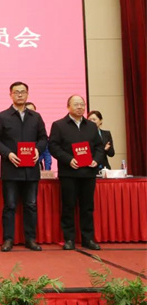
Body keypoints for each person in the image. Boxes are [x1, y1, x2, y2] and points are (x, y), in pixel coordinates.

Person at [0, 82, 48, 252]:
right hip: (11, 168)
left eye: (23, 92)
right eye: (16, 92)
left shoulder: (36, 117)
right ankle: (8, 239)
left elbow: (44, 138)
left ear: (28, 94)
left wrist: (38, 149)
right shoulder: (2, 116)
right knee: (10, 206)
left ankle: (30, 239)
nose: (20, 95)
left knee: (31, 205)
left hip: (31, 169)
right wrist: (8, 153)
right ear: (10, 95)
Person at [50, 95, 105, 250]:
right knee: (68, 206)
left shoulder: (91, 126)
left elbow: (99, 147)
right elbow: (53, 147)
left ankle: (88, 239)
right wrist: (68, 159)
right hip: (69, 173)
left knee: (87, 207)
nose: (80, 107)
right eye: (76, 104)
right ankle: (69, 239)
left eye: (82, 104)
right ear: (68, 106)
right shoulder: (59, 125)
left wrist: (96, 160)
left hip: (88, 172)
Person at [25, 102, 53, 170]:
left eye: (32, 111)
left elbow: (47, 156)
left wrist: (47, 171)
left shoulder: (40, 130)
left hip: (37, 165)